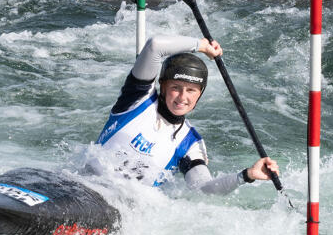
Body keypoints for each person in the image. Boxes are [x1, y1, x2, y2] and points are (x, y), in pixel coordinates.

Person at [96, 33, 279, 194]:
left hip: (121, 208)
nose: (182, 97)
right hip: (84, 186)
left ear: (200, 94)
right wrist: (201, 45)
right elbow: (155, 46)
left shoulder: (190, 143)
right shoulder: (137, 100)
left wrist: (246, 175)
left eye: (191, 90)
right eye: (176, 88)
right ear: (163, 86)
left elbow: (203, 188)